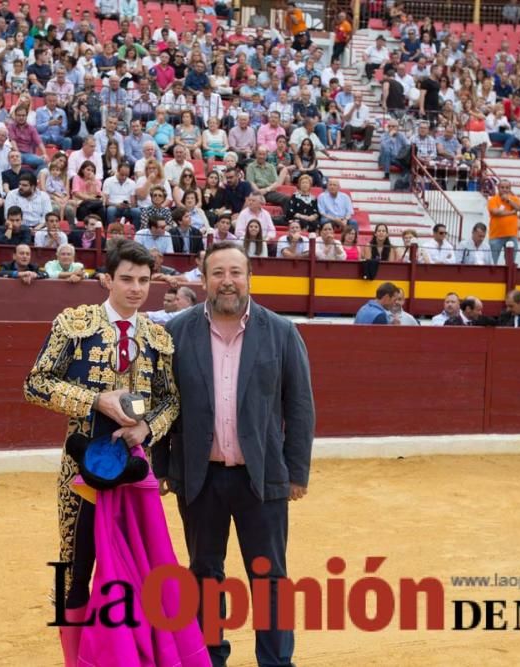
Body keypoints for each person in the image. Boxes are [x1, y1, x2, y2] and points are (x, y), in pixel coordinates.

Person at [154, 240, 314, 667]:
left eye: (235, 272)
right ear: (204, 279)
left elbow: (299, 407)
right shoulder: (177, 331)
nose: (228, 281)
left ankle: (276, 662)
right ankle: (210, 658)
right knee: (204, 574)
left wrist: (296, 472)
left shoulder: (281, 331)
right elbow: (161, 402)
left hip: (260, 478)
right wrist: (163, 466)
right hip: (199, 476)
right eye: (218, 273)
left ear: (248, 278)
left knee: (269, 578)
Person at [24, 240, 182, 666]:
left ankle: (128, 655)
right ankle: (74, 659)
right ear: (107, 279)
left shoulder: (158, 338)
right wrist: (95, 401)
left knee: (137, 564)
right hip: (81, 471)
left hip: (135, 470)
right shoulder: (75, 324)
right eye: (126, 279)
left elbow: (171, 402)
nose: (135, 289)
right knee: (73, 567)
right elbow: (35, 384)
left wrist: (148, 427)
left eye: (143, 281)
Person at [487, 179, 520, 264]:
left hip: (511, 235)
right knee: (492, 262)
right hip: (496, 236)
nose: (505, 189)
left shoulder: (513, 199)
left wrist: (509, 201)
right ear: (498, 188)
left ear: (510, 189)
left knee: (510, 263)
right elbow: (496, 212)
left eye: (507, 187)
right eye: (502, 187)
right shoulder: (493, 200)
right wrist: (512, 212)